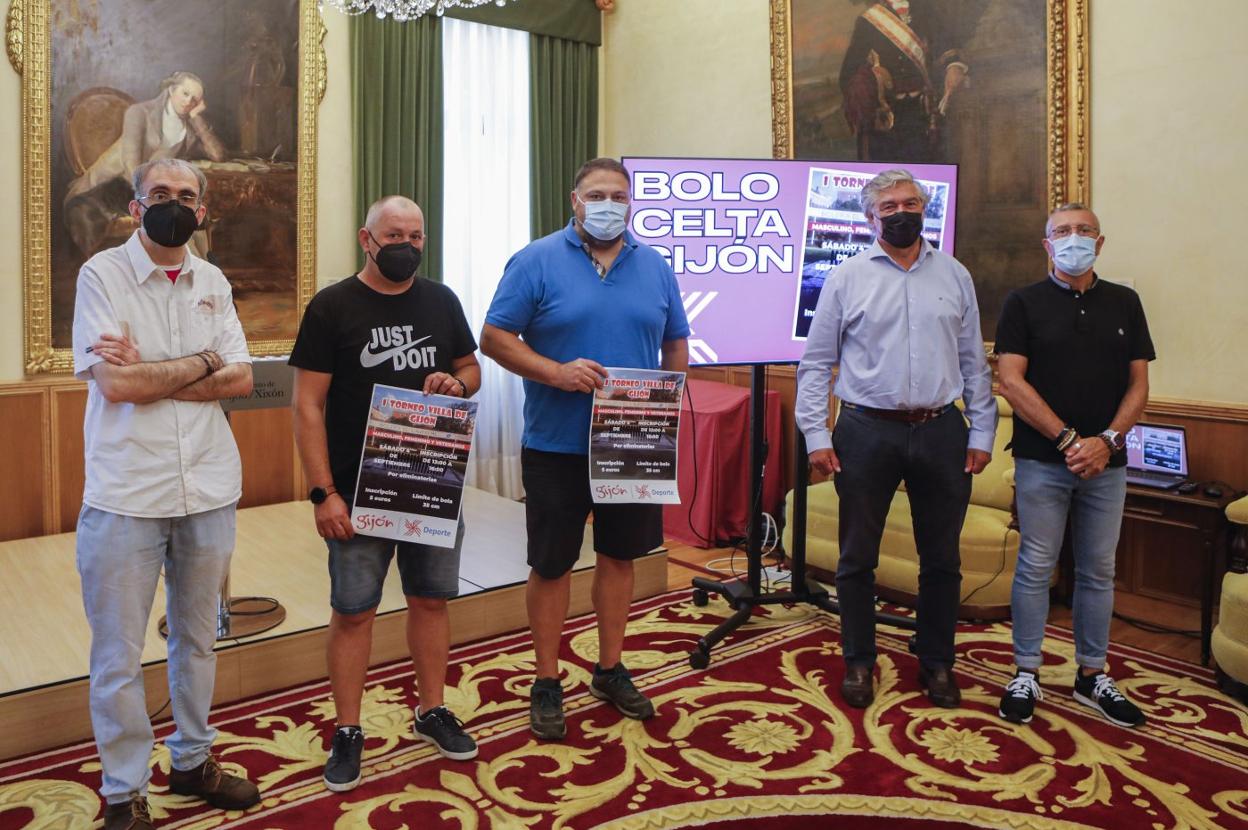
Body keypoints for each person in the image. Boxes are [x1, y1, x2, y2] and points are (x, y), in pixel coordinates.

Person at [71, 158, 258, 830]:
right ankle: (124, 791)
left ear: (203, 211)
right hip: (126, 493)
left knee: (198, 640)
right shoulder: (102, 276)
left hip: (208, 486)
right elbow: (116, 386)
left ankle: (192, 760)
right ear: (134, 206)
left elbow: (241, 378)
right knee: (117, 655)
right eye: (160, 195)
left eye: (186, 196)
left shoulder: (213, 280)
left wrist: (161, 370)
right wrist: (204, 361)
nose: (173, 205)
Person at [480, 157, 690, 740]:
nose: (609, 204)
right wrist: (554, 372)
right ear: (574, 200)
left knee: (620, 558)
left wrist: (667, 405)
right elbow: (494, 337)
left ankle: (609, 667)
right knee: (551, 565)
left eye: (619, 195)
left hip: (632, 442)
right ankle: (547, 679)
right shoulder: (536, 260)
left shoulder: (655, 267)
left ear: (632, 203)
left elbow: (676, 342)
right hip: (556, 444)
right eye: (597, 194)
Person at [289, 196, 482, 792]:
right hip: (357, 491)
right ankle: (348, 729)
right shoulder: (332, 306)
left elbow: (472, 371)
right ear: (365, 239)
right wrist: (324, 492)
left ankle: (432, 709)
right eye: (394, 234)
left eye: (417, 235)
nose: (407, 245)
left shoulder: (442, 300)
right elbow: (307, 403)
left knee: (430, 602)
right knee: (354, 613)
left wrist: (457, 381)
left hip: (430, 483)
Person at [795, 168, 996, 710]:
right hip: (864, 430)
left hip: (941, 430)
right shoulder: (845, 278)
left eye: (911, 203)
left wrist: (982, 430)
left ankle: (937, 663)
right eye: (889, 206)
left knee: (942, 559)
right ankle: (858, 660)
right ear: (870, 218)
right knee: (856, 557)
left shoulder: (955, 275)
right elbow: (815, 365)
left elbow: (975, 363)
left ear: (925, 209)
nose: (902, 212)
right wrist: (817, 433)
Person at [994, 203, 1154, 728]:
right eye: (1062, 232)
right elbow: (1012, 381)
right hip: (1044, 461)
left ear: (1100, 243)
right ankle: (1026, 671)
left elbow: (1138, 385)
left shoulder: (1125, 303)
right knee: (1037, 567)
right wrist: (1068, 440)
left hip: (1108, 464)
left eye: (1084, 231)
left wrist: (1106, 441)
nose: (1074, 239)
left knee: (1098, 570)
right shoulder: (1023, 303)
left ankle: (1092, 675)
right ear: (1047, 245)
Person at [66, 71, 227, 257]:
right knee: (177, 214)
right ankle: (190, 275)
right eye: (185, 93)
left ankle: (200, 273)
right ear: (171, 89)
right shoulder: (140, 113)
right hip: (110, 188)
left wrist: (197, 118)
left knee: (197, 214)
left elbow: (218, 155)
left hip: (148, 189)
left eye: (195, 99)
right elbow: (131, 166)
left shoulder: (188, 128)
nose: (188, 101)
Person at [839, 0, 976, 162]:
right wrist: (873, 77)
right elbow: (848, 74)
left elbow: (946, 45)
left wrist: (954, 67)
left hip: (923, 113)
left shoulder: (927, 10)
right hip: (888, 117)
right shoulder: (868, 21)